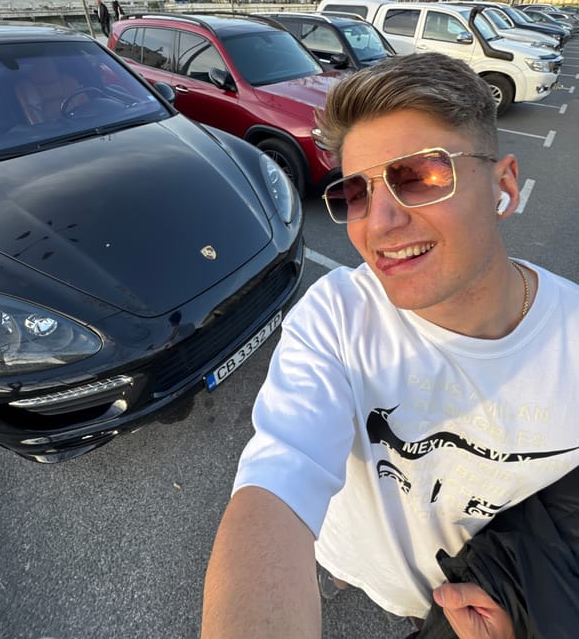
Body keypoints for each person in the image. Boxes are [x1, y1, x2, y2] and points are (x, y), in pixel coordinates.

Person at [200, 52, 579, 639]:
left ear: (504, 186)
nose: (376, 225)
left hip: (471, 605)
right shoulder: (335, 315)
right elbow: (279, 474)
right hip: (352, 557)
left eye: (420, 176)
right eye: (354, 193)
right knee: (337, 568)